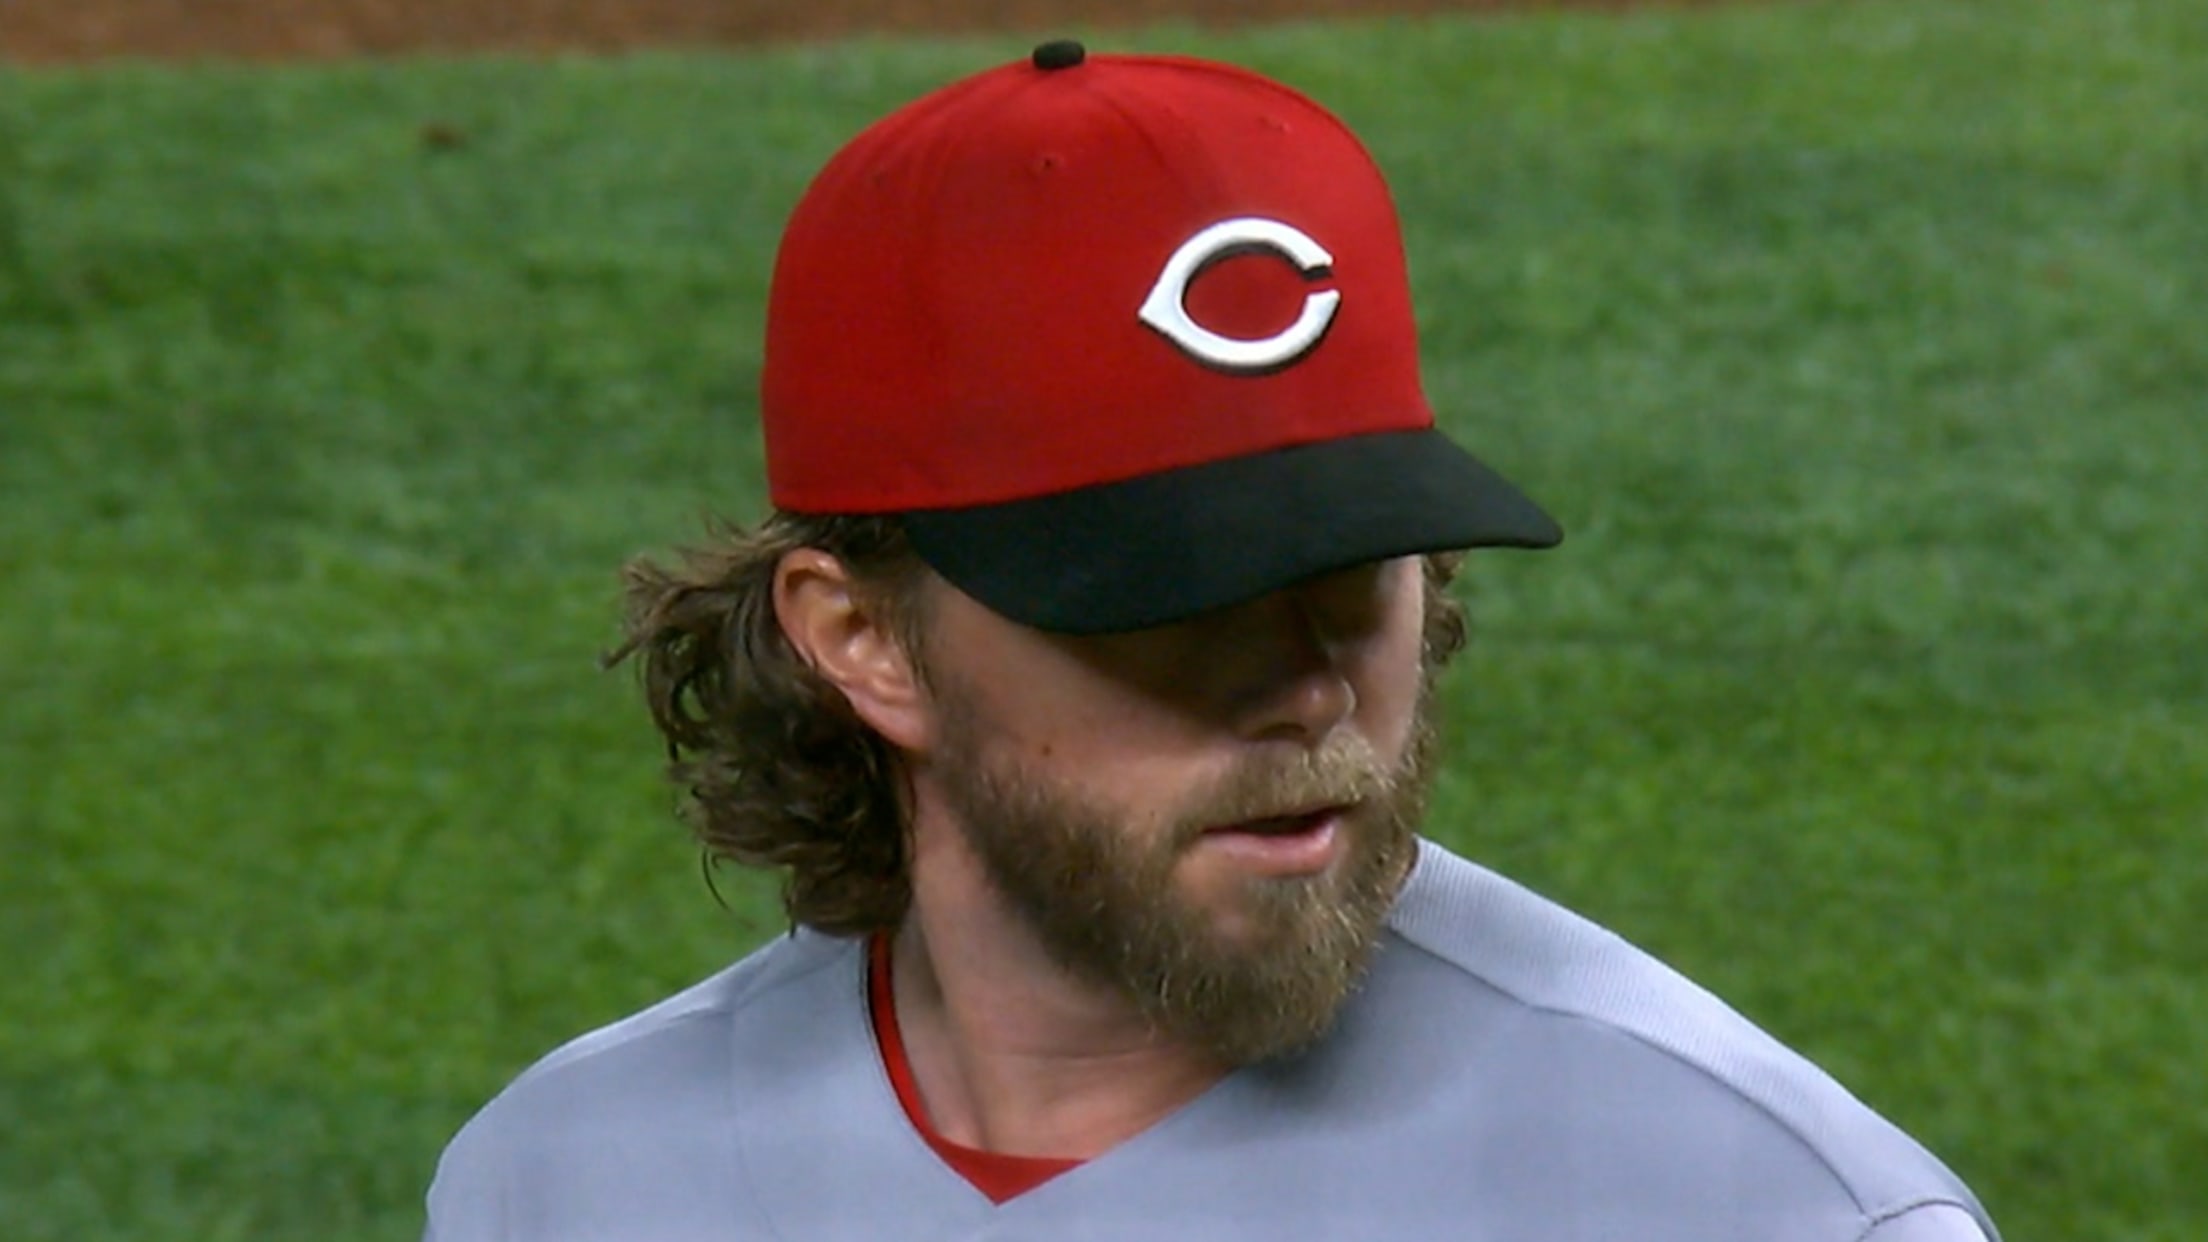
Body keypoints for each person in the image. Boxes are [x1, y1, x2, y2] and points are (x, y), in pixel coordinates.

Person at [422, 42, 2001, 1241]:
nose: (1312, 690)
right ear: (863, 639)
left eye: (1353, 576)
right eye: (1176, 600)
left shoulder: (1753, 1202)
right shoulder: (566, 1186)